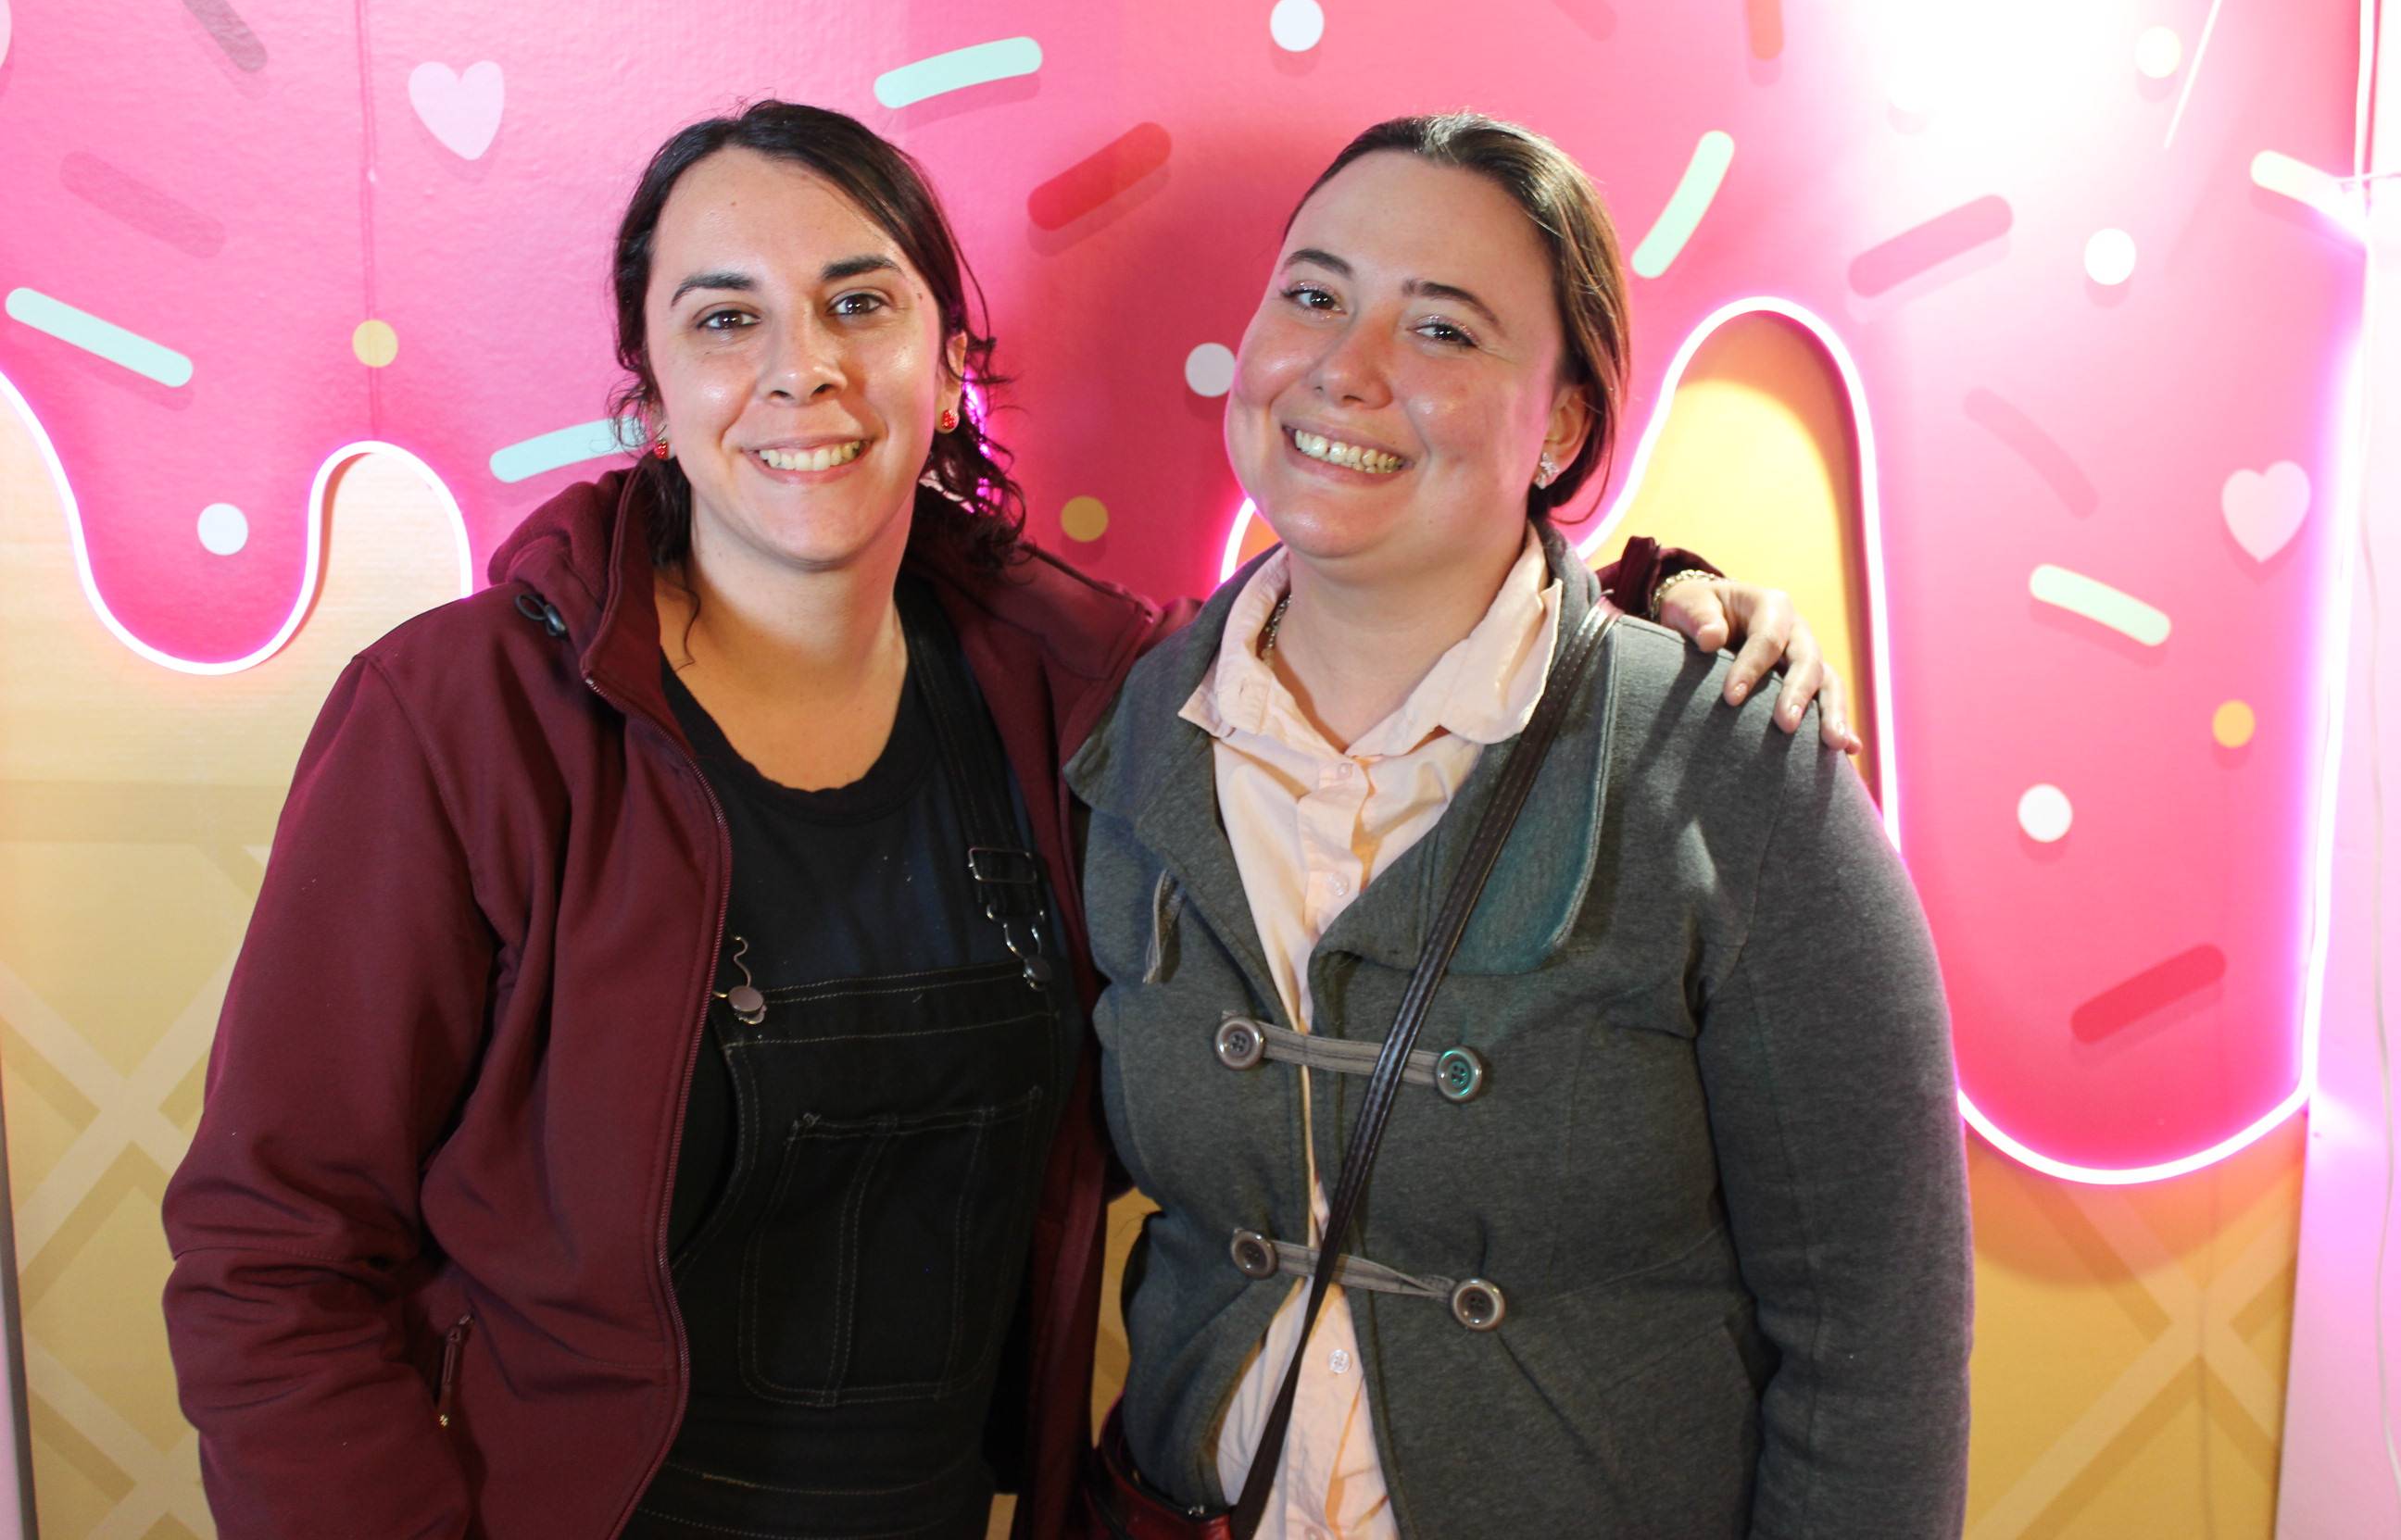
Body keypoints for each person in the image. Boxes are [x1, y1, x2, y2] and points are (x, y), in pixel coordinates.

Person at [159, 101, 1854, 1539]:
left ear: (946, 356)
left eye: (859, 302)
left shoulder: (1087, 693)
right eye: (725, 319)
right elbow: (269, 1252)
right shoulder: (463, 720)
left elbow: (1389, 632)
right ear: (651, 386)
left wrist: (1652, 610)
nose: (803, 369)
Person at [1068, 113, 1971, 1540]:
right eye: (1313, 294)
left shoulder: (1728, 763)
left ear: (1560, 423)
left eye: (1444, 329)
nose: (1346, 366)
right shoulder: (1126, 736)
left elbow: (1878, 1337)